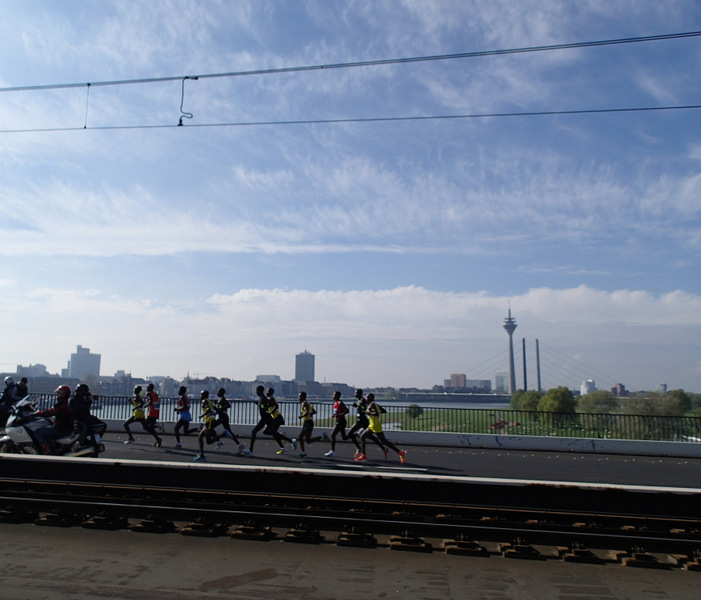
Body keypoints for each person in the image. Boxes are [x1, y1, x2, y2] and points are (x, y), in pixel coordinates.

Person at [355, 393, 406, 464]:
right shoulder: (374, 405)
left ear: (371, 398)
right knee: (362, 437)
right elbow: (384, 411)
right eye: (366, 397)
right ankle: (363, 455)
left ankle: (400, 452)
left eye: (367, 398)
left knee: (384, 441)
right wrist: (374, 411)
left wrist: (369, 413)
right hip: (372, 426)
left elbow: (376, 413)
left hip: (375, 426)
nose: (366, 399)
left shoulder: (371, 405)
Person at [348, 389, 387, 459]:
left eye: (356, 393)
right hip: (360, 420)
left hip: (362, 421)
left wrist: (356, 406)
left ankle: (360, 450)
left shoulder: (363, 400)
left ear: (360, 393)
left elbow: (365, 410)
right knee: (371, 437)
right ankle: (383, 448)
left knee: (351, 434)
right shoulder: (360, 400)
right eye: (355, 393)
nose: (355, 394)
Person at [34, 385, 73, 454]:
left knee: (37, 432)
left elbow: (50, 412)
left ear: (62, 394)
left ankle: (47, 448)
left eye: (58, 393)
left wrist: (37, 413)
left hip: (60, 428)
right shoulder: (68, 402)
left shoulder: (61, 405)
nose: (57, 395)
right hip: (67, 427)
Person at [214, 388, 249, 456]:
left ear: (222, 393)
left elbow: (228, 405)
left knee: (211, 428)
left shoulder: (222, 399)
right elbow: (221, 407)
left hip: (223, 417)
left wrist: (220, 408)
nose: (217, 393)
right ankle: (239, 445)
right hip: (222, 417)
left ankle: (219, 441)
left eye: (218, 392)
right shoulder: (220, 399)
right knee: (228, 431)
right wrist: (217, 406)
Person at [293, 391, 329, 458]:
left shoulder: (304, 403)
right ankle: (303, 453)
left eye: (300, 396)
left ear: (303, 397)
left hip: (308, 423)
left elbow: (306, 411)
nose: (298, 398)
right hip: (307, 422)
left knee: (305, 439)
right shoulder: (307, 403)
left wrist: (301, 416)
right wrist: (308, 414)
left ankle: (322, 436)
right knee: (305, 439)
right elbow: (314, 411)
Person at [324, 390, 357, 457]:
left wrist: (339, 415)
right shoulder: (336, 403)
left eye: (334, 395)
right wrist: (334, 414)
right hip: (339, 421)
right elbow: (338, 412)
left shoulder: (340, 403)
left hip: (341, 421)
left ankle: (332, 452)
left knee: (333, 435)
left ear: (337, 396)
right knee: (344, 438)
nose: (333, 396)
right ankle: (356, 435)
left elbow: (347, 411)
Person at [265, 387, 295, 455]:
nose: (267, 392)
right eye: (266, 391)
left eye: (268, 391)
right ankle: (282, 437)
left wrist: (271, 412)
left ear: (271, 392)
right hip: (274, 418)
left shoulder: (271, 398)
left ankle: (286, 445)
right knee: (267, 432)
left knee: (273, 433)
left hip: (277, 418)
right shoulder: (269, 399)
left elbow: (276, 406)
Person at [194, 390, 222, 461]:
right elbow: (217, 410)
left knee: (208, 441)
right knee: (200, 436)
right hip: (210, 421)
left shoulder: (204, 401)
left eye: (201, 395)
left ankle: (223, 435)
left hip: (209, 422)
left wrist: (201, 415)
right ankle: (202, 455)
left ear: (204, 395)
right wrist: (214, 415)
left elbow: (208, 409)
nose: (200, 396)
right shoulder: (210, 401)